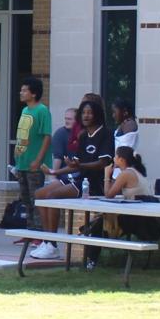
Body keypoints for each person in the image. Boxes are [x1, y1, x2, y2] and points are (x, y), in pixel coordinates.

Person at [31, 98, 112, 260]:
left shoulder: (105, 133)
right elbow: (76, 165)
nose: (86, 116)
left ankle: (52, 244)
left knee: (52, 197)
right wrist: (55, 171)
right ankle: (47, 242)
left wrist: (81, 165)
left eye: (89, 112)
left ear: (97, 114)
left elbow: (104, 162)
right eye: (83, 112)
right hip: (79, 178)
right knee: (40, 194)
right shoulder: (83, 136)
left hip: (94, 184)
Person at [12, 78, 52, 231]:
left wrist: (38, 159)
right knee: (25, 199)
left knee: (36, 199)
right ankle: (30, 230)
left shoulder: (42, 110)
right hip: (22, 161)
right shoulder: (24, 110)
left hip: (34, 165)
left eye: (24, 90)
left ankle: (38, 232)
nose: (21, 93)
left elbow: (47, 136)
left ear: (33, 93)